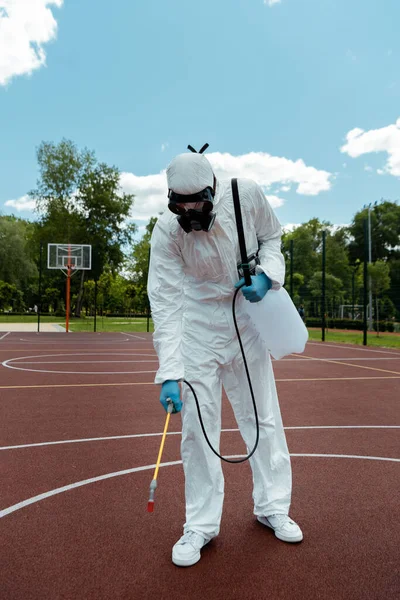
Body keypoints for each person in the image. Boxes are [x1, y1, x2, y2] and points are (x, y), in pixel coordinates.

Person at [148, 148, 303, 568]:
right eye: (181, 205)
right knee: (197, 429)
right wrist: (170, 372)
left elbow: (272, 238)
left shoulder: (246, 196)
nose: (190, 212)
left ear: (212, 188)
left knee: (262, 417)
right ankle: (199, 525)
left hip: (246, 318)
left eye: (197, 202)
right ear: (171, 201)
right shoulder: (166, 232)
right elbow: (164, 301)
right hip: (197, 323)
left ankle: (272, 506)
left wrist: (268, 276)